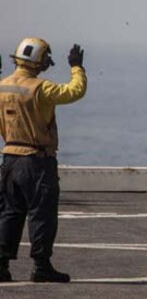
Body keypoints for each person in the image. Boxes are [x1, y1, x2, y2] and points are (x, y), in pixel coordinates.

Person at [0, 38, 87, 283]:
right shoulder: (41, 88)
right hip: (37, 161)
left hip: (10, 158)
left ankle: (2, 264)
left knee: (9, 212)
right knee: (42, 213)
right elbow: (74, 91)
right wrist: (77, 67)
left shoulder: (2, 87)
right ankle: (41, 265)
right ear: (38, 60)